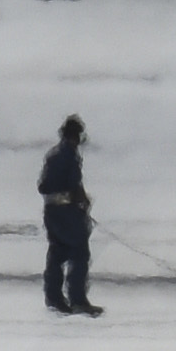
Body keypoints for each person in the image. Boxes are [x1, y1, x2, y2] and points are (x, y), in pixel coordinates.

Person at [38, 115, 101, 317]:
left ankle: (54, 298)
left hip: (50, 211)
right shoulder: (70, 156)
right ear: (77, 136)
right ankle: (77, 299)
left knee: (57, 253)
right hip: (68, 212)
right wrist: (82, 200)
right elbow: (74, 184)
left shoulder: (52, 155)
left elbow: (42, 186)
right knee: (79, 253)